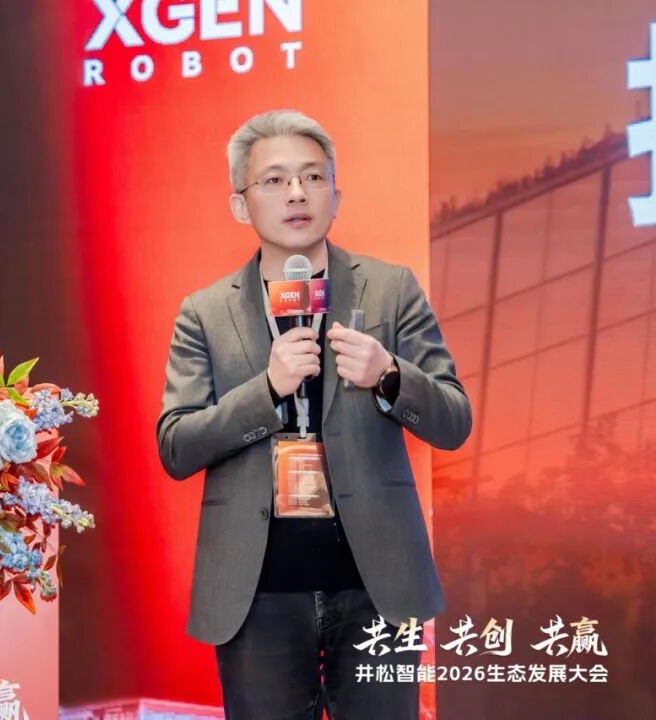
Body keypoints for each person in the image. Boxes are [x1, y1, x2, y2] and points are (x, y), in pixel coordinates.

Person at [156, 109, 472, 719]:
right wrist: (267, 389)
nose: (297, 193)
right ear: (241, 205)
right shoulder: (205, 313)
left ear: (336, 195)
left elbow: (454, 420)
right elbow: (176, 445)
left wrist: (389, 374)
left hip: (378, 585)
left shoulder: (390, 289)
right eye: (274, 180)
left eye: (312, 177)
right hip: (257, 592)